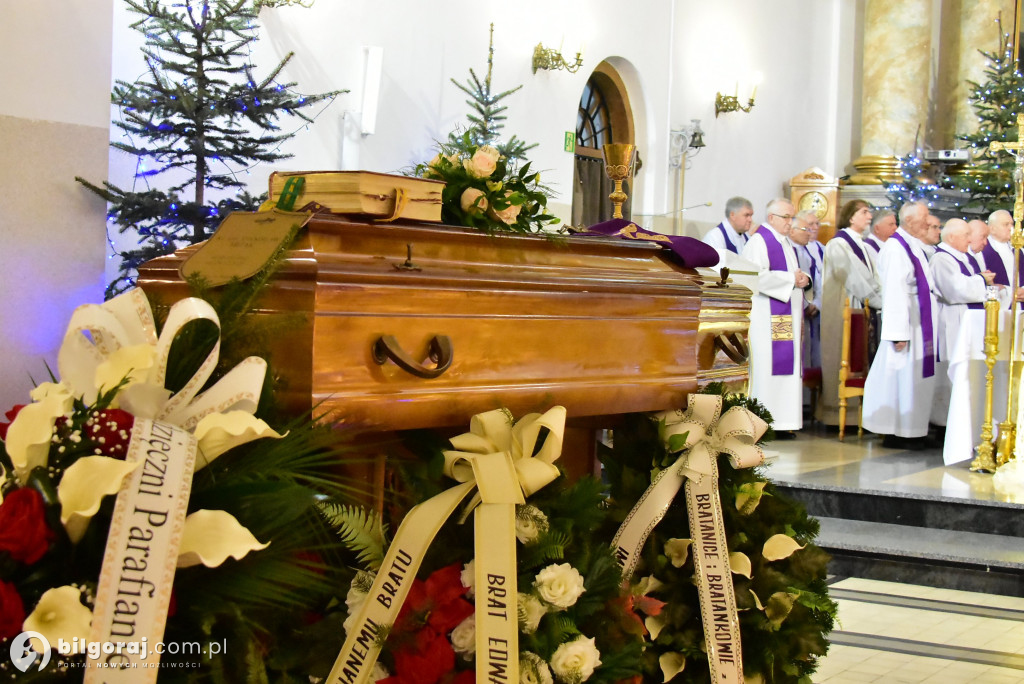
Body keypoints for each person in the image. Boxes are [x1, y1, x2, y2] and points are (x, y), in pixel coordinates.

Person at [862, 201, 938, 449]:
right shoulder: (896, 248)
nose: (928, 221)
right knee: (900, 379)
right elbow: (894, 291)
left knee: (912, 379)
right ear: (909, 220)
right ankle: (898, 432)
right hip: (905, 324)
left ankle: (911, 430)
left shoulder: (911, 245)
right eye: (924, 216)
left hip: (917, 320)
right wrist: (897, 333)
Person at [741, 198, 810, 434]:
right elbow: (752, 277)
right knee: (768, 368)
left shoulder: (785, 243)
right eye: (786, 217)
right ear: (771, 218)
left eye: (792, 217)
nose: (791, 223)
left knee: (785, 369)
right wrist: (792, 279)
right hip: (766, 320)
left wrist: (802, 279)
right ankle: (764, 422)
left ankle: (783, 421)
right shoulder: (760, 241)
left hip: (784, 317)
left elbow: (793, 274)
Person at [816, 199, 883, 427]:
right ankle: (838, 415)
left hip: (862, 308)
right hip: (844, 308)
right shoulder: (839, 244)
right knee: (842, 357)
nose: (869, 216)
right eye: (865, 212)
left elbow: (875, 277)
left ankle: (861, 415)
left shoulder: (863, 245)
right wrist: (879, 300)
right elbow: (854, 278)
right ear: (851, 216)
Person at [928, 218, 998, 429]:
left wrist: (984, 283)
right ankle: (943, 425)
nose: (970, 239)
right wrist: (981, 280)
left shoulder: (965, 257)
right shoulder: (941, 259)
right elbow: (955, 290)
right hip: (952, 321)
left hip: (968, 322)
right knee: (951, 373)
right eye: (966, 235)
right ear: (951, 237)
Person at [791, 210, 823, 370]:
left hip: (812, 311)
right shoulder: (789, 250)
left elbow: (818, 281)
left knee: (812, 357)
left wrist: (815, 303)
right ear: (792, 230)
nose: (810, 232)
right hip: (796, 310)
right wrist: (805, 304)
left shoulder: (807, 252)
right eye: (806, 229)